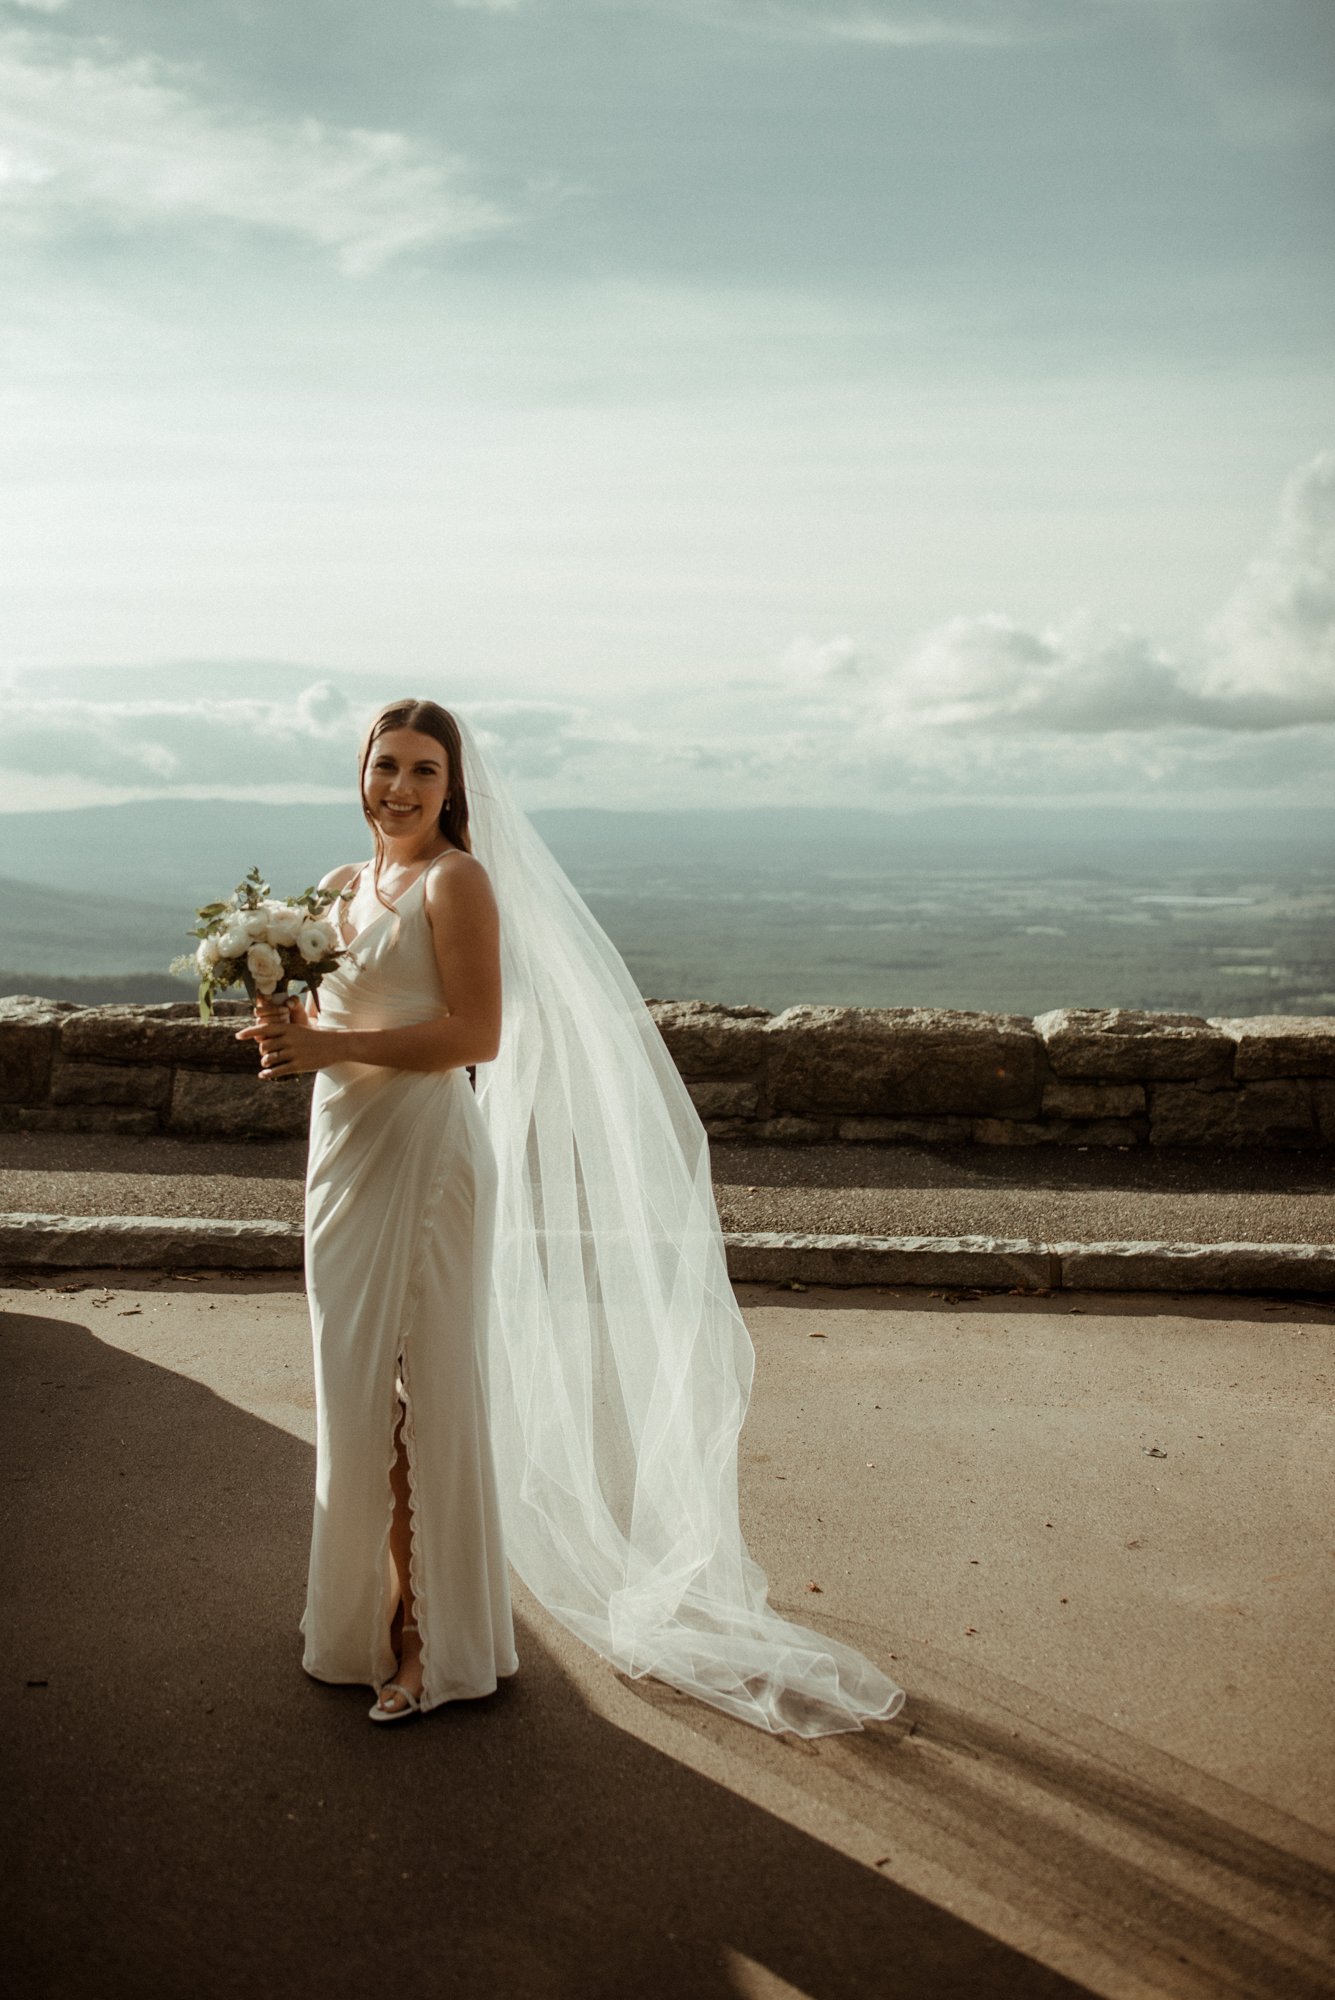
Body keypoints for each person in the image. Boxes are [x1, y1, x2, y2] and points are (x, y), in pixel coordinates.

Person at [239, 698, 906, 1737]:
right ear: (359, 771)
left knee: (432, 1396)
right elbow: (333, 1018)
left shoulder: (458, 881)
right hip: (342, 1156)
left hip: (426, 1152)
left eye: (422, 769)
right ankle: (362, 1620)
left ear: (452, 785)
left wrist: (331, 1049)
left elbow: (480, 1033)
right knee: (353, 1393)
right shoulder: (338, 886)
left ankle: (435, 1642)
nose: (400, 787)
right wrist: (286, 1020)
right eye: (385, 766)